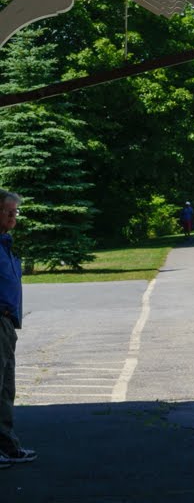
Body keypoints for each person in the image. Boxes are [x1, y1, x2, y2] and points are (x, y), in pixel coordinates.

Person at [0, 190, 36, 466]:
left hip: (7, 323)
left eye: (15, 211)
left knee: (5, 389)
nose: (14, 216)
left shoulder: (6, 244)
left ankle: (8, 447)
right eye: (8, 211)